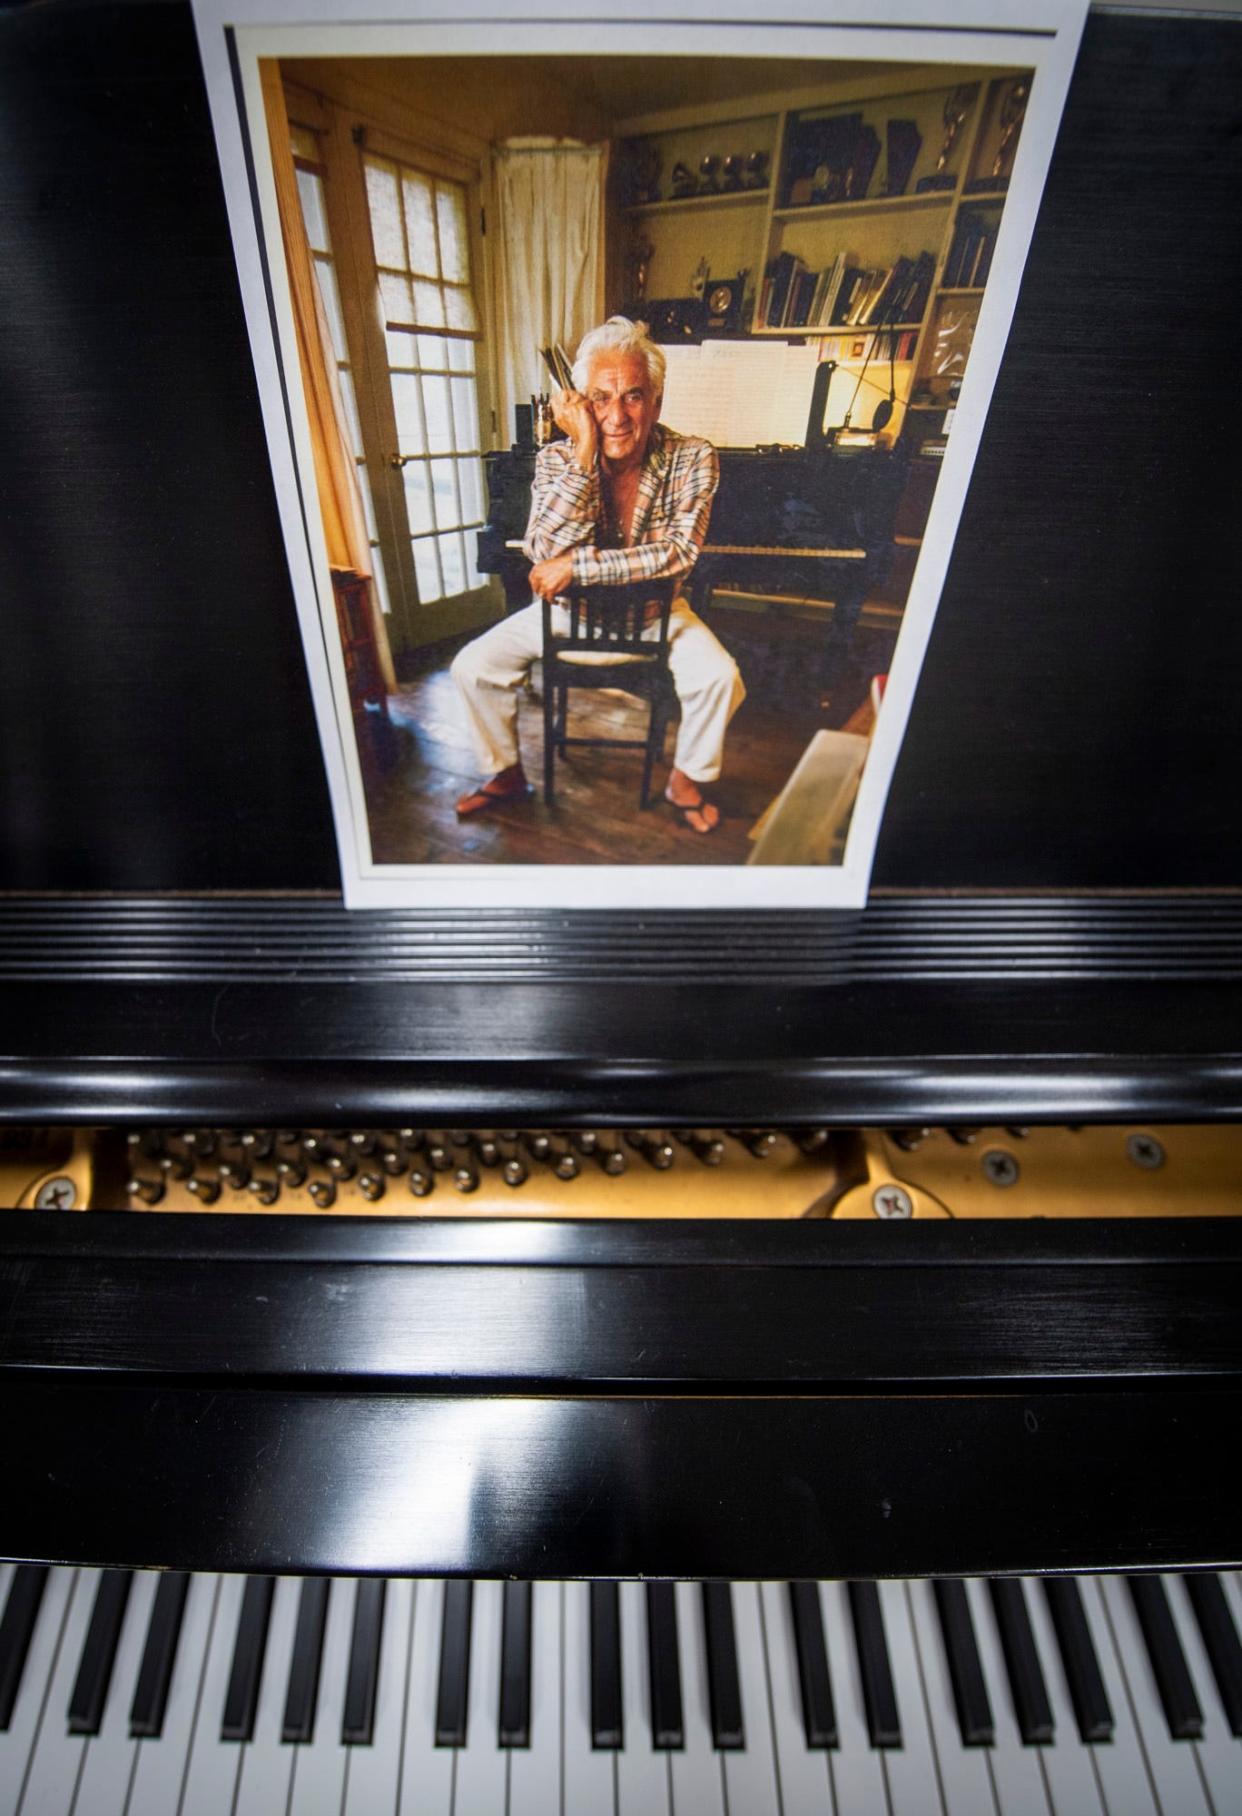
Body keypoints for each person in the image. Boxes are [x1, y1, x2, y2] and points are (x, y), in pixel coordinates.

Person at [452, 316, 744, 834]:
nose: (616, 414)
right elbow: (543, 551)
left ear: (656, 401)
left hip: (656, 615)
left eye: (633, 397)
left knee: (721, 678)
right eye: (600, 398)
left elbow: (677, 553)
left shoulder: (694, 456)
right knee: (473, 667)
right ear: (581, 403)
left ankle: (685, 780)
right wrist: (583, 450)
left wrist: (579, 566)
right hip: (567, 613)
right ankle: (504, 775)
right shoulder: (555, 459)